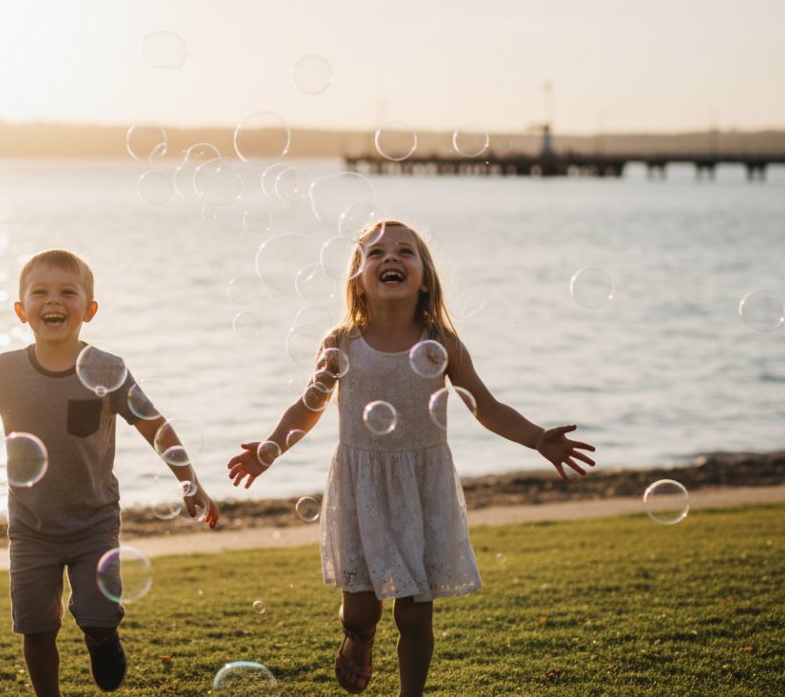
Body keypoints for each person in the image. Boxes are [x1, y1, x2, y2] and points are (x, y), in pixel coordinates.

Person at [227, 220, 595, 696]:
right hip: (362, 485)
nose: (391, 258)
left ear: (424, 277)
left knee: (416, 613)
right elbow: (309, 406)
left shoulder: (440, 341)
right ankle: (358, 640)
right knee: (361, 611)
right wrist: (270, 447)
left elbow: (485, 406)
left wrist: (537, 438)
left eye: (405, 251)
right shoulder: (340, 343)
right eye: (376, 253)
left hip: (422, 486)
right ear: (358, 277)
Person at [0, 249, 219, 697]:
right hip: (31, 528)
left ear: (89, 310)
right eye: (40, 292)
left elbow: (155, 426)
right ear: (21, 310)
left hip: (94, 523)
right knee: (36, 627)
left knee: (97, 614)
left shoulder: (107, 369)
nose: (54, 301)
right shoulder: (7, 371)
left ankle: (101, 637)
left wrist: (190, 480)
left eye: (68, 292)